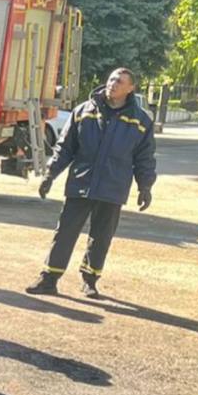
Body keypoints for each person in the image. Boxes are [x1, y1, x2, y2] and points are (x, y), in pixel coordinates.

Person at [26, 67, 157, 299]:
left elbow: (144, 157)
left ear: (130, 88)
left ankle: (90, 280)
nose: (113, 84)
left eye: (120, 81)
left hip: (113, 187)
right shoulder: (83, 111)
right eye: (112, 79)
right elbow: (65, 148)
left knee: (101, 236)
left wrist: (145, 186)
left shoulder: (141, 121)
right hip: (81, 182)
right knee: (65, 232)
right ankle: (49, 279)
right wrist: (50, 175)